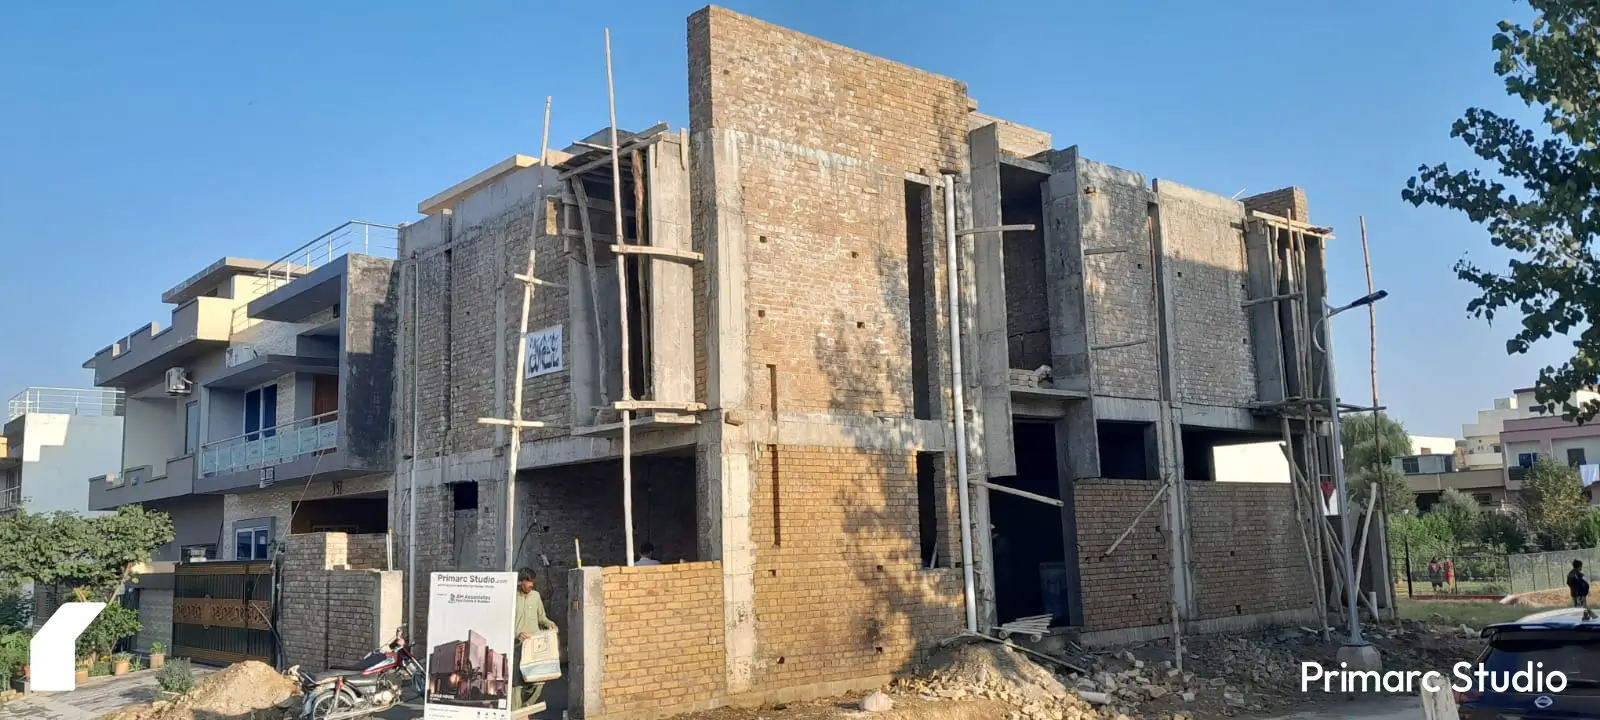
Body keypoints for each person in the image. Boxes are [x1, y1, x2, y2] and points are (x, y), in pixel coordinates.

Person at [513, 567, 555, 709]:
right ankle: (517, 713)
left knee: (539, 680)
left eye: (532, 582)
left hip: (534, 645)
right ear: (521, 582)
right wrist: (516, 634)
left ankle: (527, 705)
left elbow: (541, 617)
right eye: (528, 582)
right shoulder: (511, 596)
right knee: (517, 682)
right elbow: (505, 620)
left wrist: (550, 624)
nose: (531, 585)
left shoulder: (536, 596)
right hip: (518, 645)